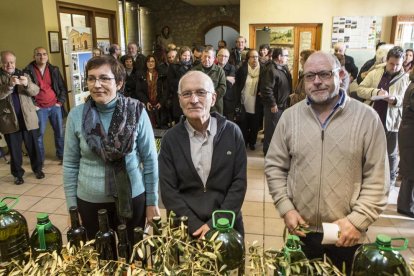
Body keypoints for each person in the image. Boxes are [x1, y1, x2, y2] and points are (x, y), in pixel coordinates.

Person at [265, 51, 389, 274]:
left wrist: (358, 221)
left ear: (340, 74)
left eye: (324, 74)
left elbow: (378, 178)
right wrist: (286, 209)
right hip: (301, 230)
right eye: (310, 76)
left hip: (345, 234)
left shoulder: (366, 118)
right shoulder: (290, 117)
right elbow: (275, 166)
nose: (317, 81)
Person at [63, 55, 159, 241]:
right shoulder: (76, 116)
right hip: (90, 202)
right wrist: (72, 208)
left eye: (104, 78)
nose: (97, 84)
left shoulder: (136, 111)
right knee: (100, 258)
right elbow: (70, 165)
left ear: (120, 83)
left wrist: (152, 201)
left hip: (132, 198)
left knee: (132, 256)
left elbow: (150, 160)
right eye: (91, 78)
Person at [159, 71, 247, 238]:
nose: (193, 100)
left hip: (227, 226)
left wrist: (217, 223)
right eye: (186, 94)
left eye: (201, 92)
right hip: (186, 229)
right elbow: (169, 191)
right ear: (180, 100)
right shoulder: (170, 140)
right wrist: (195, 225)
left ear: (213, 98)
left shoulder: (232, 133)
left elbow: (239, 183)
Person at [357, 46, 410, 188]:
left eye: (398, 64)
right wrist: (375, 91)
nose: (394, 67)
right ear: (387, 61)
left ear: (402, 63)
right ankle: (368, 179)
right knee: (368, 150)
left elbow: (406, 99)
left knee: (391, 153)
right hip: (372, 118)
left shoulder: (406, 78)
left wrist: (395, 100)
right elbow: (360, 89)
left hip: (392, 121)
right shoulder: (375, 73)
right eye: (392, 64)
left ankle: (390, 181)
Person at [0, 51, 44, 185]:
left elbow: (35, 91)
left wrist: (26, 84)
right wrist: (10, 85)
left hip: (28, 119)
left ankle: (38, 169)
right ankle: (17, 175)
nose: (9, 65)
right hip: (9, 120)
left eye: (12, 62)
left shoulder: (24, 74)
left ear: (15, 62)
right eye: (6, 62)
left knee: (33, 147)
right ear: (1, 63)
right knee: (15, 151)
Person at [25, 47, 66, 166]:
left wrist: (60, 102)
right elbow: (25, 91)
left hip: (55, 106)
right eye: (38, 54)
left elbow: (62, 87)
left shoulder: (54, 69)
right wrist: (34, 105)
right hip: (39, 108)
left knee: (59, 132)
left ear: (47, 56)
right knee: (39, 135)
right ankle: (40, 160)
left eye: (44, 54)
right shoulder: (28, 71)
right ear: (34, 57)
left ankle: (62, 156)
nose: (42, 57)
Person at [260, 48, 292, 155]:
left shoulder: (283, 67)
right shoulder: (271, 69)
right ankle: (268, 153)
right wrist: (272, 103)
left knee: (279, 130)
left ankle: (275, 152)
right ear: (279, 57)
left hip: (283, 105)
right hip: (274, 106)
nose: (288, 58)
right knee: (271, 130)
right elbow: (266, 88)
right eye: (286, 56)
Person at [235, 49, 263, 150]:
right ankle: (244, 142)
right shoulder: (242, 70)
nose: (255, 59)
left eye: (256, 57)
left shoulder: (263, 69)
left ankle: (252, 142)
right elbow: (237, 86)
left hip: (257, 102)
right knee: (244, 124)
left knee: (255, 124)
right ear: (248, 59)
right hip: (244, 101)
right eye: (252, 57)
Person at [135, 55, 169, 129]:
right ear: (146, 63)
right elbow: (138, 91)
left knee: (160, 125)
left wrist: (161, 102)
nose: (150, 63)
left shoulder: (162, 74)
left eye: (152, 61)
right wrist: (146, 102)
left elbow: (166, 90)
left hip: (159, 104)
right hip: (146, 103)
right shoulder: (140, 74)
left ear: (155, 63)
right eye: (148, 61)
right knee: (147, 126)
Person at [397, 69, 414, 218]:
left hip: (408, 130)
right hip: (410, 132)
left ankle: (406, 204)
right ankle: (406, 206)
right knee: (410, 170)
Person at [192, 45, 226, 114]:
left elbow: (223, 88)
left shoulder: (220, 71)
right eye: (204, 56)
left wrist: (210, 98)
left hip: (215, 107)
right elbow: (191, 87)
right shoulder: (194, 70)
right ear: (201, 57)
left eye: (209, 57)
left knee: (216, 124)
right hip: (199, 105)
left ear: (214, 58)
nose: (206, 59)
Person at [167, 46, 193, 123]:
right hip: (178, 95)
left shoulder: (193, 66)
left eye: (188, 55)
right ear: (180, 56)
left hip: (191, 95)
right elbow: (170, 81)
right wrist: (185, 80)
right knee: (179, 119)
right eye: (184, 55)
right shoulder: (173, 66)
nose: (186, 57)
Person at [217, 48, 236, 121]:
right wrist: (226, 78)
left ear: (228, 58)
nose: (223, 58)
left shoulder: (232, 68)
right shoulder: (213, 67)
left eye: (225, 56)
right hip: (216, 100)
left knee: (228, 124)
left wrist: (217, 79)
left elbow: (229, 85)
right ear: (217, 56)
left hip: (228, 101)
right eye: (221, 55)